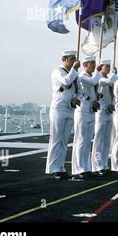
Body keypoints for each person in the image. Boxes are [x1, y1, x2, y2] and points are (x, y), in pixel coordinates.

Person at [46, 50, 80, 179]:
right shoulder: (58, 71)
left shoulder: (74, 73)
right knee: (56, 139)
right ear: (64, 59)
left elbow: (77, 89)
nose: (74, 62)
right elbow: (66, 81)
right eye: (71, 59)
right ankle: (53, 168)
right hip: (58, 109)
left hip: (70, 108)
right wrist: (75, 69)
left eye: (74, 59)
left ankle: (60, 167)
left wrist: (77, 98)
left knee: (64, 140)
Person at [72, 56, 101, 178]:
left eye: (94, 63)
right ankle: (79, 169)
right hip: (82, 111)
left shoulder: (91, 76)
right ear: (85, 65)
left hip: (90, 110)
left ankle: (86, 167)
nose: (94, 66)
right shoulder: (82, 76)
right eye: (92, 63)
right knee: (81, 140)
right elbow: (93, 82)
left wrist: (96, 100)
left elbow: (93, 89)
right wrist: (99, 72)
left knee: (88, 140)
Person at [91, 59, 117, 175]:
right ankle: (97, 165)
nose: (109, 68)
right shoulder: (99, 78)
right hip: (100, 112)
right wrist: (115, 74)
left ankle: (104, 164)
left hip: (109, 112)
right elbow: (109, 82)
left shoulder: (107, 79)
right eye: (106, 66)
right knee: (99, 139)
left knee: (107, 140)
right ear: (101, 67)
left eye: (109, 66)